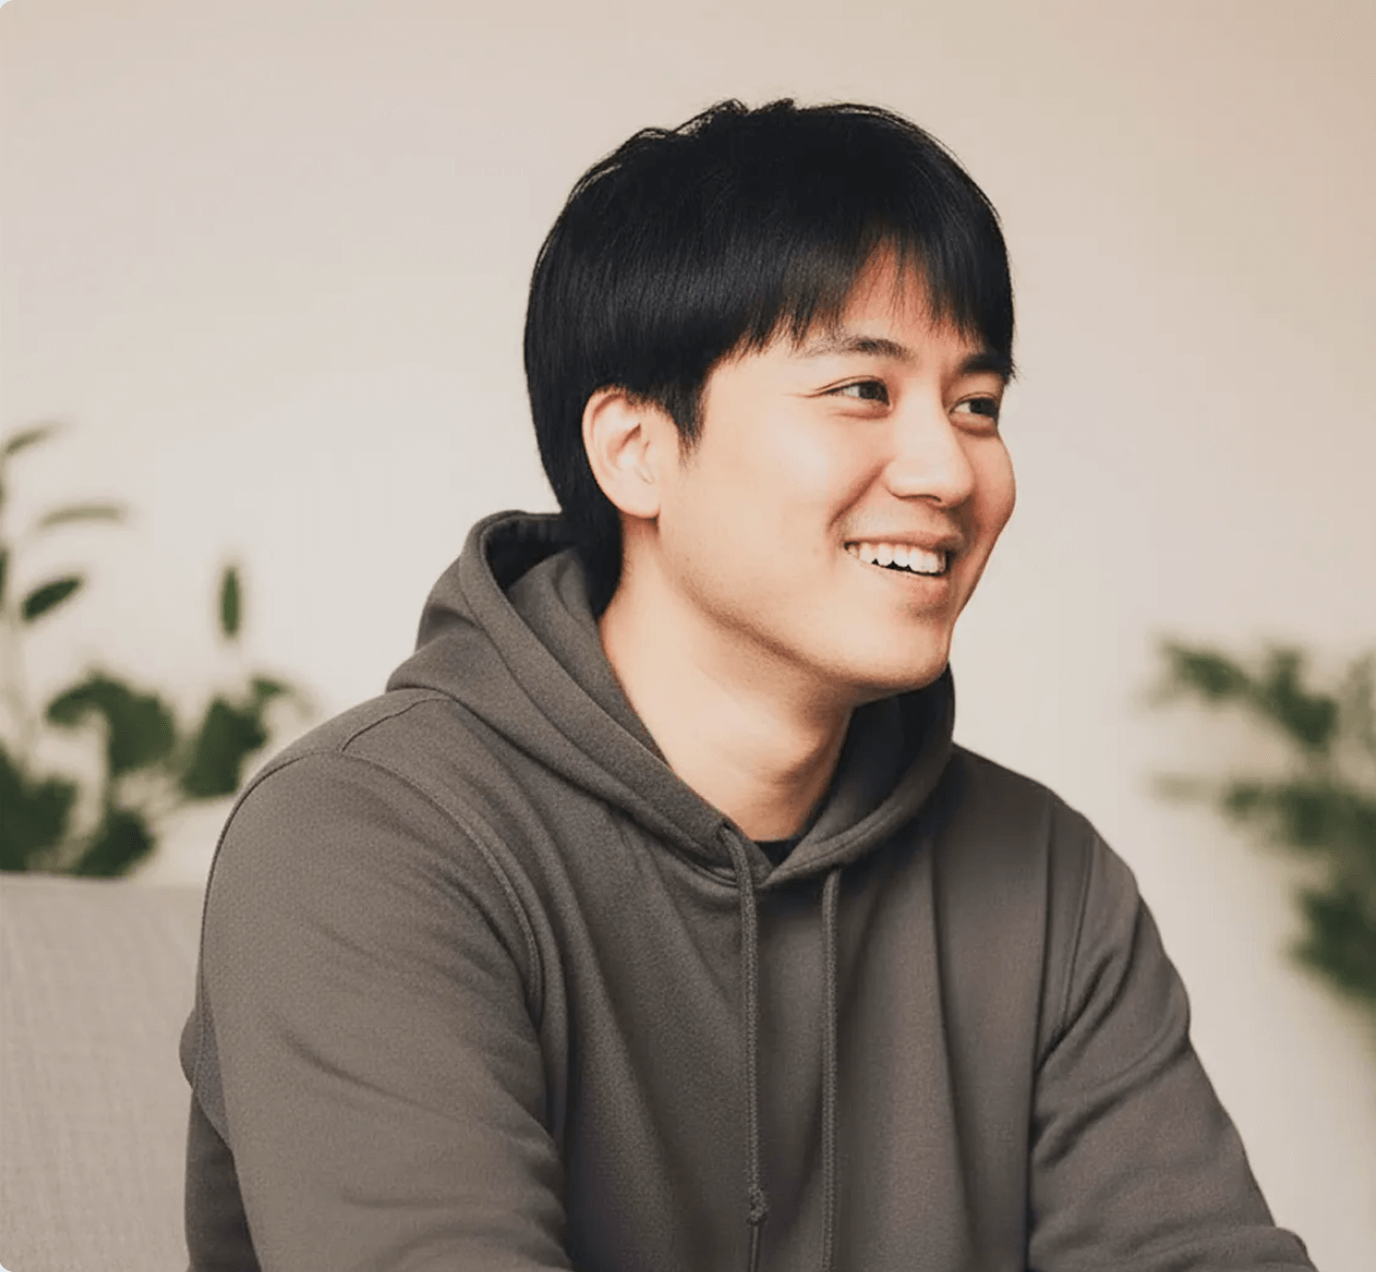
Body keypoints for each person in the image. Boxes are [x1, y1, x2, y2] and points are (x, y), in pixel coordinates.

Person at [181, 99, 1314, 1271]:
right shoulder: (365, 837)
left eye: (974, 405)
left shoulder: (1046, 878)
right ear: (635, 450)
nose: (946, 469)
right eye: (861, 390)